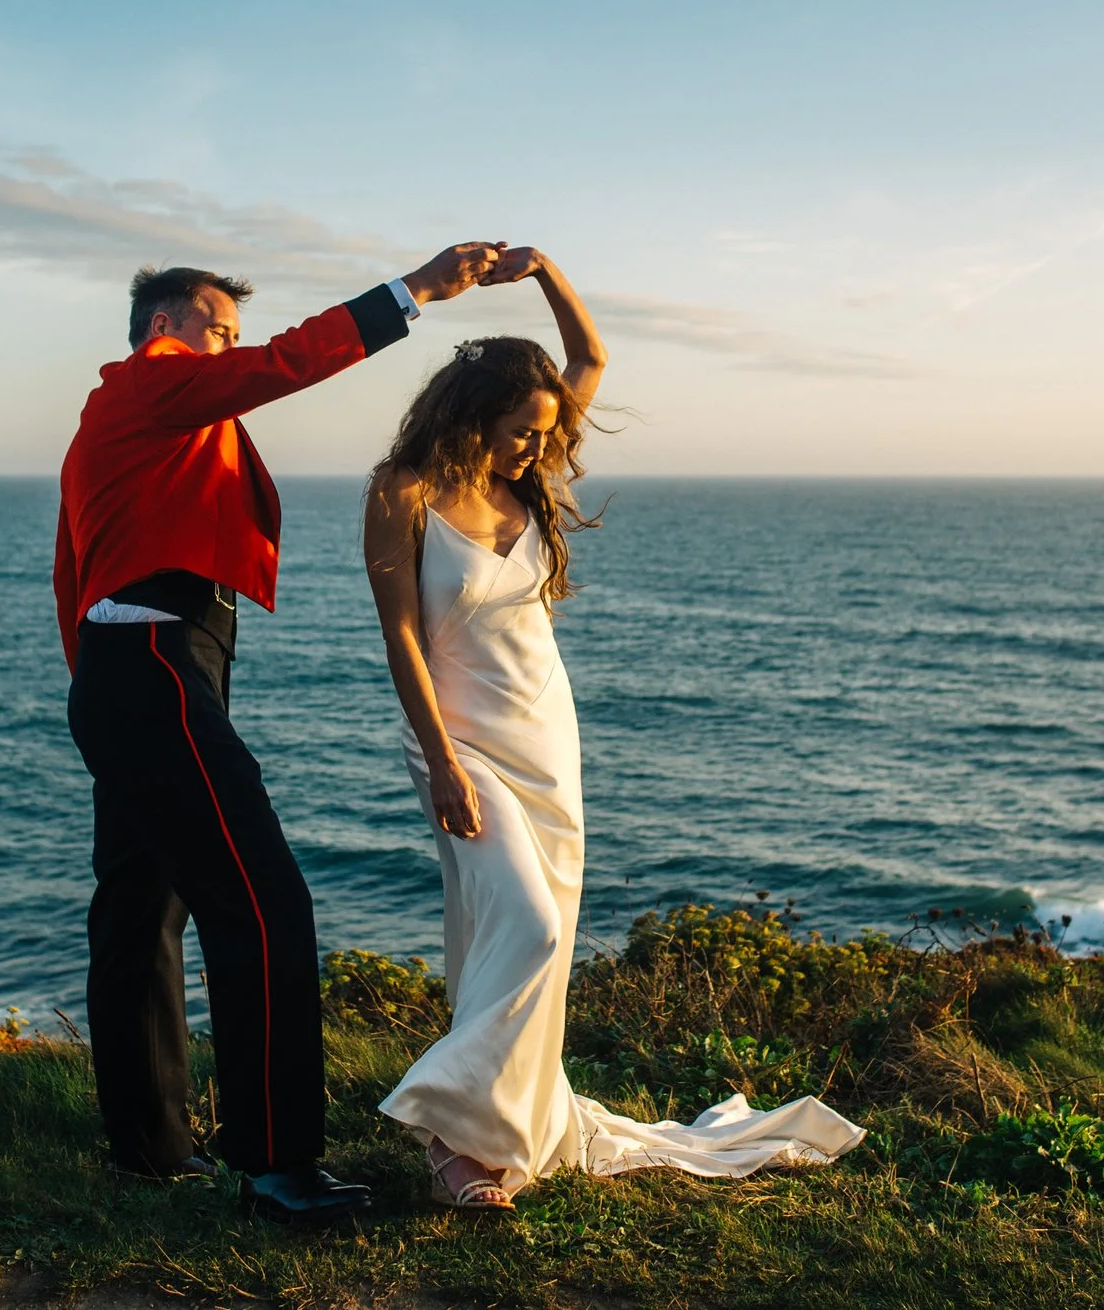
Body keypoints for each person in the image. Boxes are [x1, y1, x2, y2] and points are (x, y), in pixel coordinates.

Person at [363, 249, 865, 1210]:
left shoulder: (530, 466)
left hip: (546, 736)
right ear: (474, 416)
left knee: (505, 934)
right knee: (530, 924)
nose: (534, 450)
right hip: (459, 741)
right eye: (520, 431)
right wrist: (439, 764)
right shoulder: (407, 491)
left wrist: (545, 269)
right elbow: (400, 639)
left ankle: (480, 1138)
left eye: (543, 434)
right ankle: (453, 1132)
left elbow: (588, 357)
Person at [57, 243, 503, 1225]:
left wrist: (104, 686)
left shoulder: (128, 420)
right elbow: (281, 364)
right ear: (167, 326)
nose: (234, 344)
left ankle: (147, 1148)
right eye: (219, 326)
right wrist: (414, 292)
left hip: (129, 667)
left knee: (139, 912)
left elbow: (72, 569)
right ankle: (275, 1168)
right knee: (263, 902)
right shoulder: (151, 384)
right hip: (155, 665)